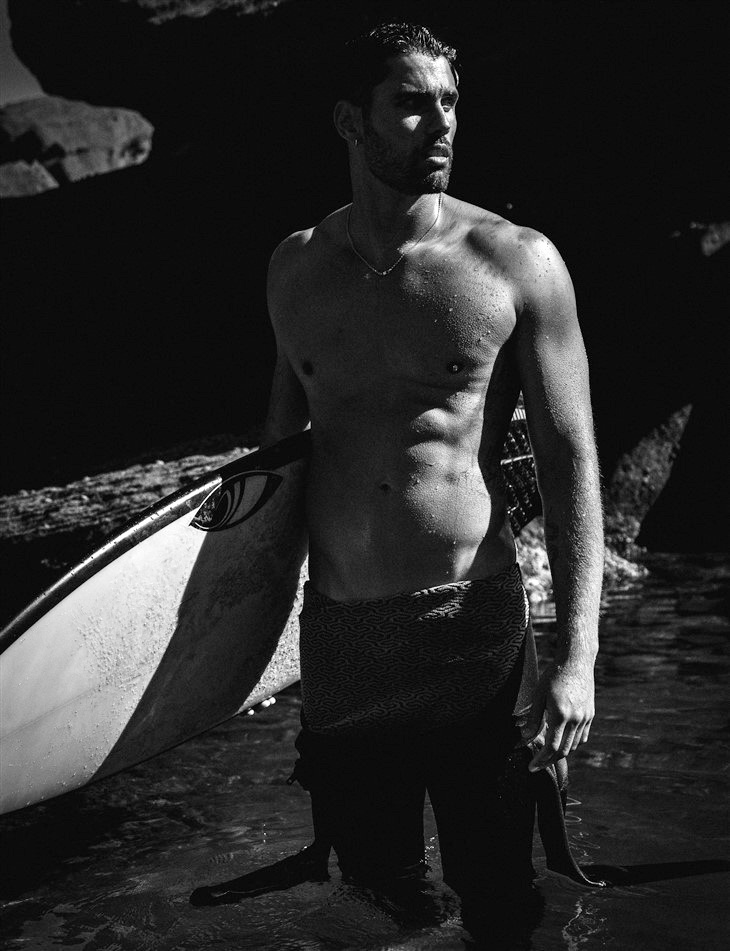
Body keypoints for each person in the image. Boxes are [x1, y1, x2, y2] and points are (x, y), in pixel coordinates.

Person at [191, 22, 603, 937]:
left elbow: (573, 461)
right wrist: (238, 648)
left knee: (501, 903)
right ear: (350, 120)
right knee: (379, 903)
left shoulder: (517, 262)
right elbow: (277, 463)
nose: (442, 122)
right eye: (413, 103)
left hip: (472, 633)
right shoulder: (295, 268)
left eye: (450, 101)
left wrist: (576, 659)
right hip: (342, 640)